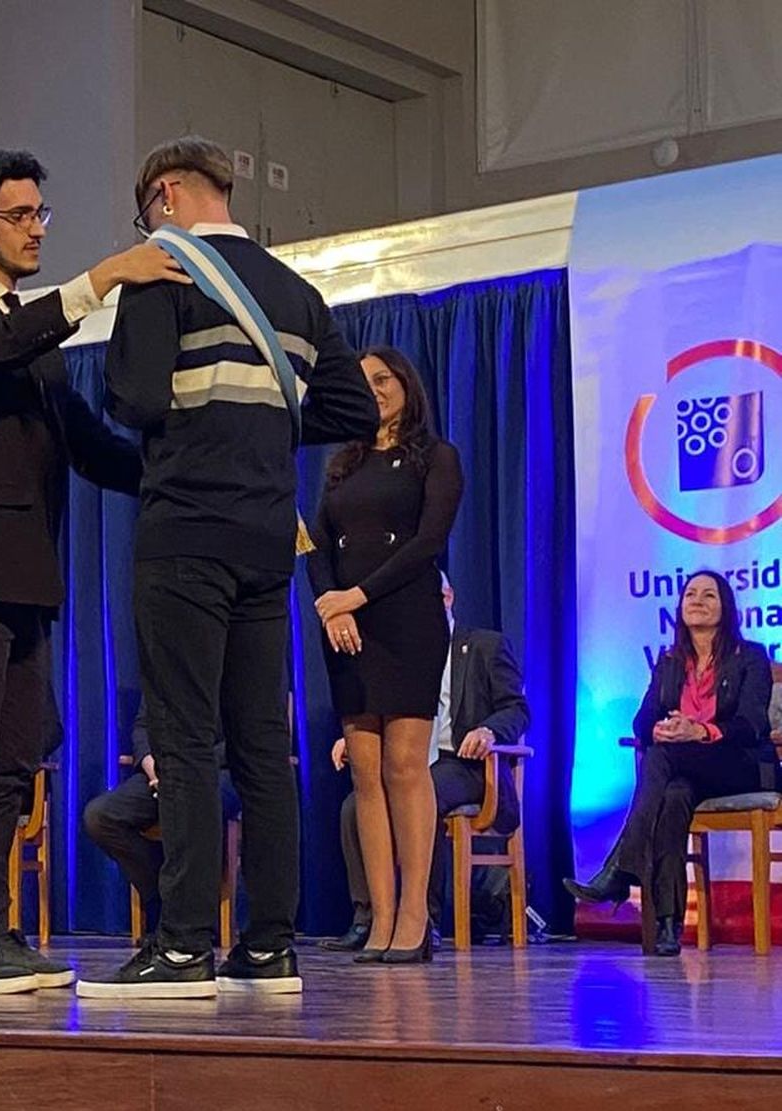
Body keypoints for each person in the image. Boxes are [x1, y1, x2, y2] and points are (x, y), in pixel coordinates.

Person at [80, 136, 378, 999]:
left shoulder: (163, 272)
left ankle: (179, 947)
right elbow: (351, 403)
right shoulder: (296, 292)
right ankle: (269, 946)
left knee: (181, 741)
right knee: (261, 746)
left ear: (167, 195)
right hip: (262, 539)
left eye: (145, 213)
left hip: (185, 533)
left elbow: (132, 400)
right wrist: (259, 431)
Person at [0, 147, 183, 995]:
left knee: (12, 758)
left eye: (40, 215)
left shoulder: (35, 336)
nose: (35, 231)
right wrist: (101, 280)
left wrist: (183, 474)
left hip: (25, 573)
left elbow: (89, 445)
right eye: (21, 217)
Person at [307, 347, 463, 966]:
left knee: (404, 766)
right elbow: (311, 539)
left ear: (406, 384)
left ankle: (416, 915)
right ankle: (380, 912)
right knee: (364, 773)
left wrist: (359, 594)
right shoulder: (339, 466)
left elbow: (429, 543)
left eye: (383, 380)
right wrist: (331, 603)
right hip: (345, 626)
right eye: (362, 383)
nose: (373, 391)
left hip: (406, 619)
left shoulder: (436, 457)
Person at [564, 570, 773, 956]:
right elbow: (642, 723)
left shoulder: (752, 657)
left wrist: (700, 731)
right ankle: (667, 926)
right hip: (685, 767)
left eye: (709, 595)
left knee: (662, 760)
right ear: (679, 607)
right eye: (690, 594)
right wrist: (660, 731)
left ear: (725, 607)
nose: (697, 600)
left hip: (740, 767)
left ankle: (621, 869)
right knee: (674, 795)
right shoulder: (670, 662)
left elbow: (752, 725)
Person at [325, 575, 529, 950]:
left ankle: (424, 918)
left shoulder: (485, 645)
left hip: (464, 764)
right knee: (355, 805)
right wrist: (356, 740)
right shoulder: (400, 655)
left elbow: (517, 709)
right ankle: (368, 916)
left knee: (421, 798)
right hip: (410, 760)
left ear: (448, 598)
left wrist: (488, 731)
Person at [82, 707, 239, 935]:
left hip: (220, 771)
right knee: (100, 816)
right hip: (161, 772)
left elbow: (244, 736)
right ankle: (164, 898)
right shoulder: (165, 672)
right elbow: (143, 727)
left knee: (192, 805)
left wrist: (185, 768)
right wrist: (153, 767)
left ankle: (193, 916)